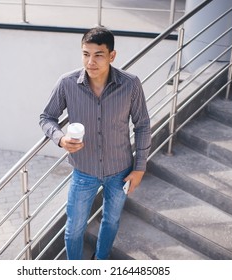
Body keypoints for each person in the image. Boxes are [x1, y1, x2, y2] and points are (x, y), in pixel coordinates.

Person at [39, 27, 151, 260]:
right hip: (84, 171)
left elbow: (142, 125)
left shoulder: (131, 85)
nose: (90, 62)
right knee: (74, 228)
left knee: (111, 220)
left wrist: (139, 168)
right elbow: (46, 117)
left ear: (112, 56)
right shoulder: (67, 83)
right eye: (85, 54)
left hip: (120, 170)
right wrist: (60, 139)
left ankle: (100, 261)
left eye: (98, 54)